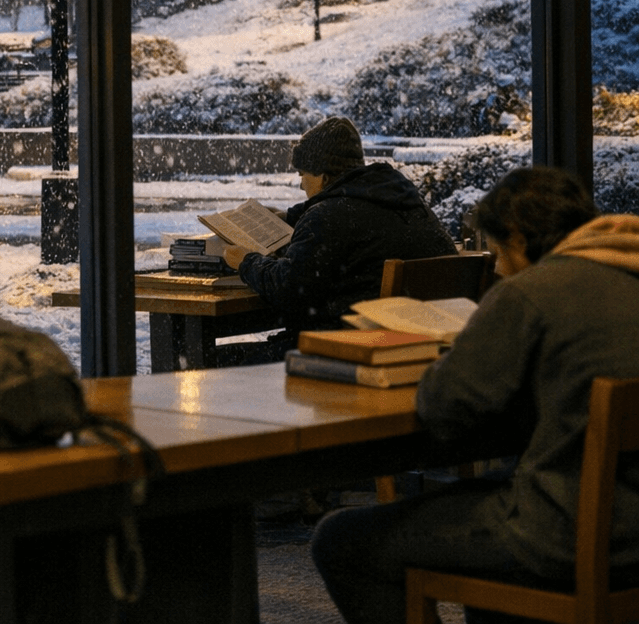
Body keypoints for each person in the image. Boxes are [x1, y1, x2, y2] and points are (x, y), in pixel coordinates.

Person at [312, 165, 639, 624]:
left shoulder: (532, 292)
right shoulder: (627, 270)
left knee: (341, 541)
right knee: (487, 492)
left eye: (499, 252)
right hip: (629, 526)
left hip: (565, 534)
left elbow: (444, 407)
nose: (499, 267)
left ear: (520, 239)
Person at [223, 116, 457, 357]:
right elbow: (344, 211)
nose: (301, 185)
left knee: (212, 360)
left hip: (341, 349)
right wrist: (288, 217)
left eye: (303, 174)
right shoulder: (404, 201)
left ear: (323, 176)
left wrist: (246, 261)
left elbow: (290, 290)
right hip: (421, 349)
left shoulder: (328, 217)